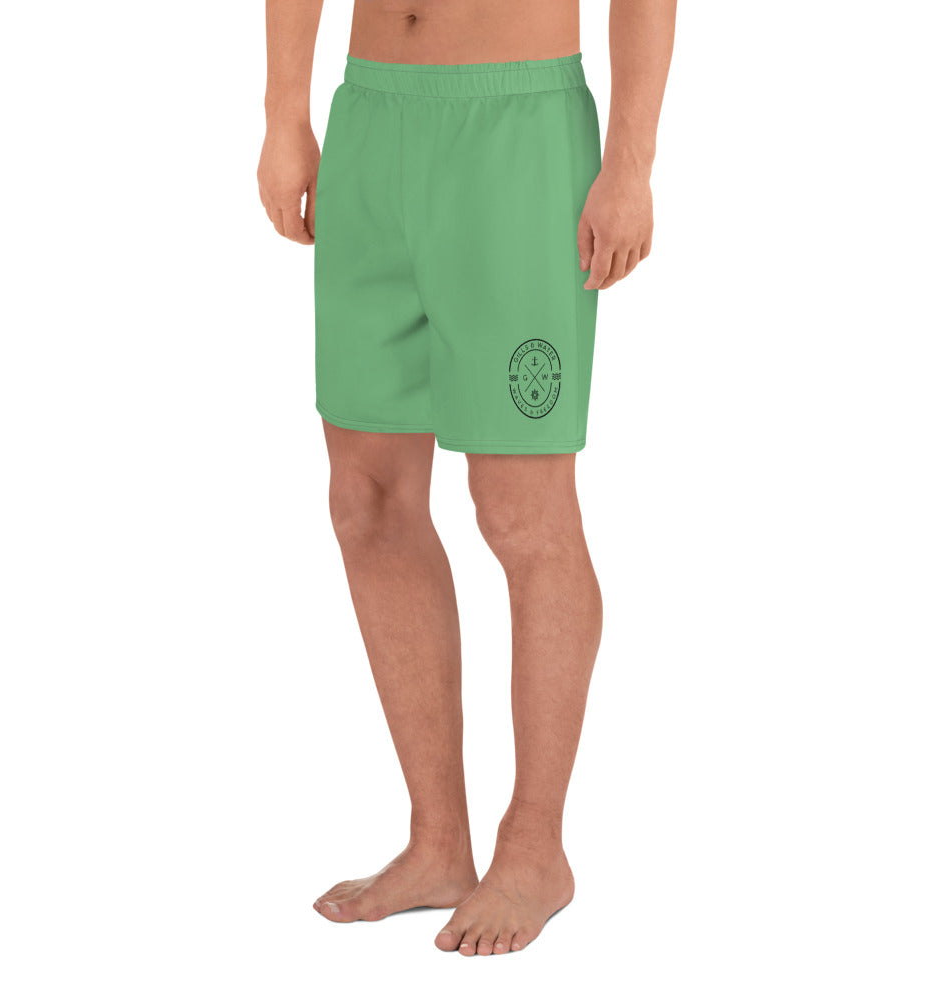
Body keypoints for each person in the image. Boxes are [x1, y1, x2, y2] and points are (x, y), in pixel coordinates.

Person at [257, 0, 676, 956]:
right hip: (372, 119)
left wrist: (631, 162)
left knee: (523, 512)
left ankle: (535, 848)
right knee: (364, 497)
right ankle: (437, 842)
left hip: (516, 133)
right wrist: (284, 112)